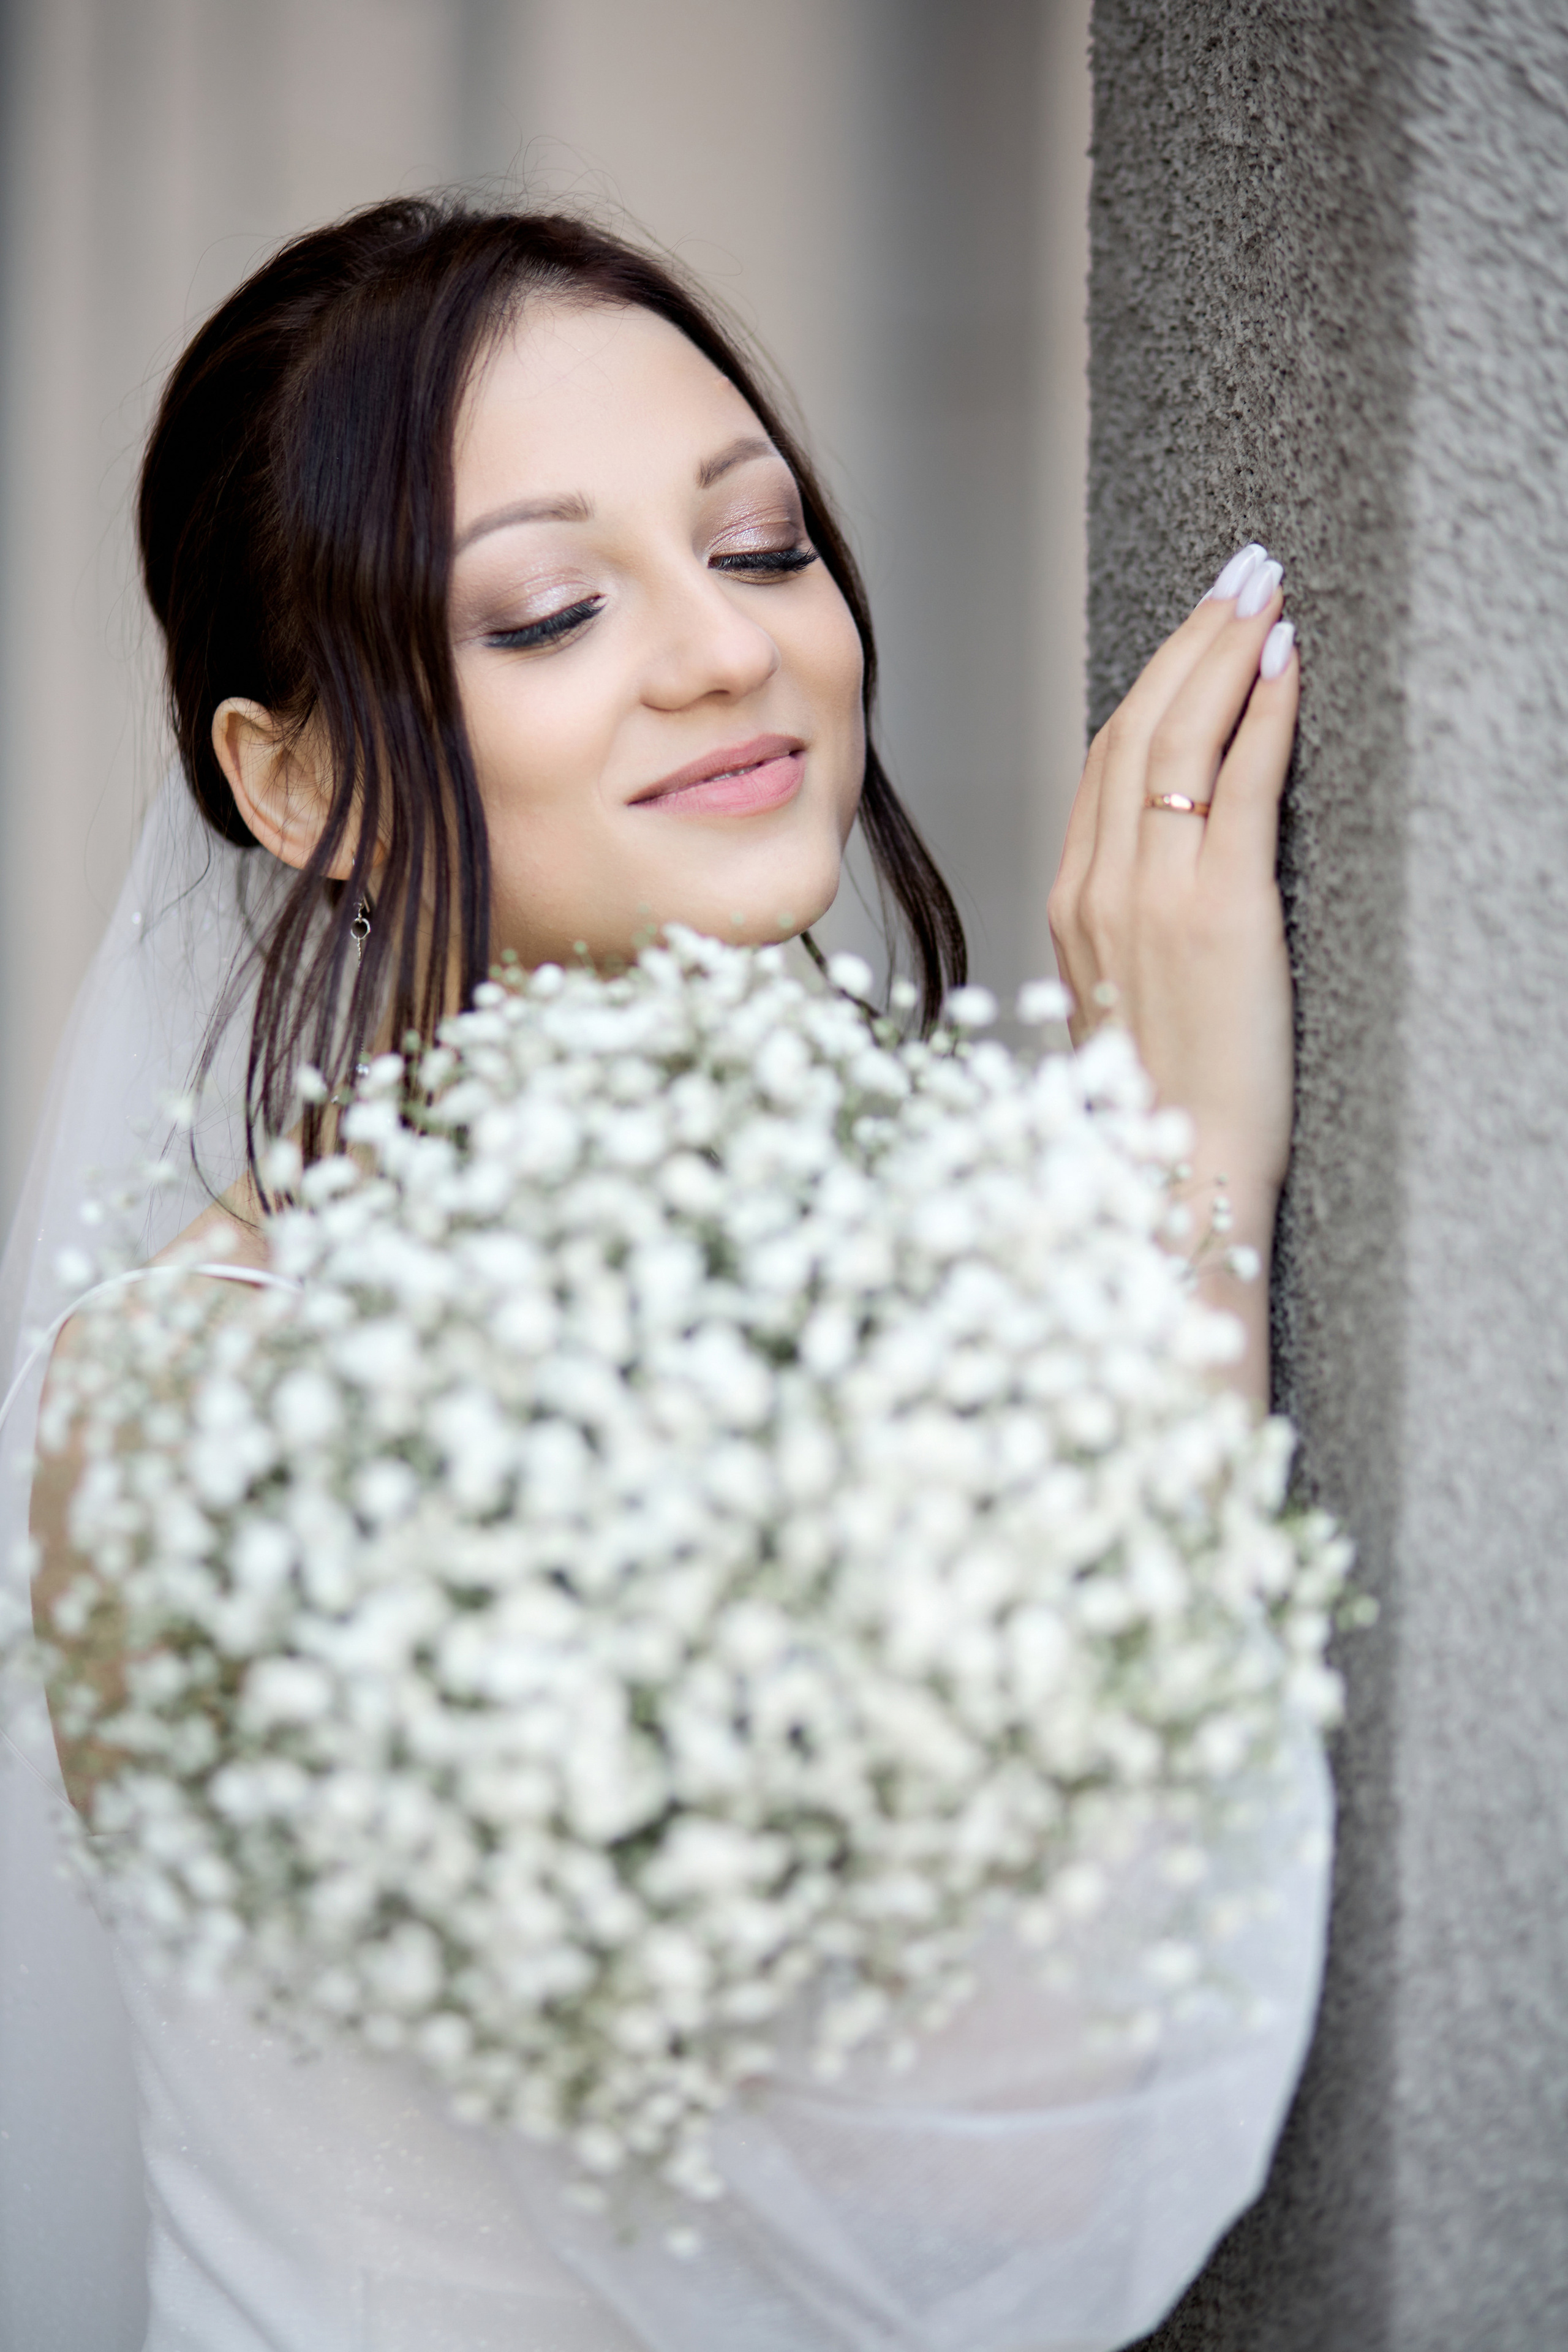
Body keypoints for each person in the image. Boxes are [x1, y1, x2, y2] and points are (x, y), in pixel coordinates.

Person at [2, 200, 1318, 2352]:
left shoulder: (897, 1229)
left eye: (763, 543)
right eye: (544, 610)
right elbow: (1005, 2155)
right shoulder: (214, 1410)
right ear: (297, 775)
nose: (725, 650)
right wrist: (1179, 1222)